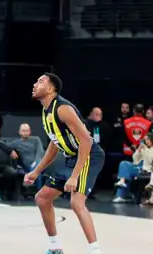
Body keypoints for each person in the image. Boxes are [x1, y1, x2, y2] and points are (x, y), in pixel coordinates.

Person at [24, 73, 105, 254]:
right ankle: (55, 247)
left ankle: (95, 251)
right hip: (71, 157)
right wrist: (36, 171)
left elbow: (86, 141)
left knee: (76, 202)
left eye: (40, 81)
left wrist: (74, 177)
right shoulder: (46, 111)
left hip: (89, 155)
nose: (35, 84)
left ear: (51, 88)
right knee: (42, 198)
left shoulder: (62, 109)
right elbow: (54, 145)